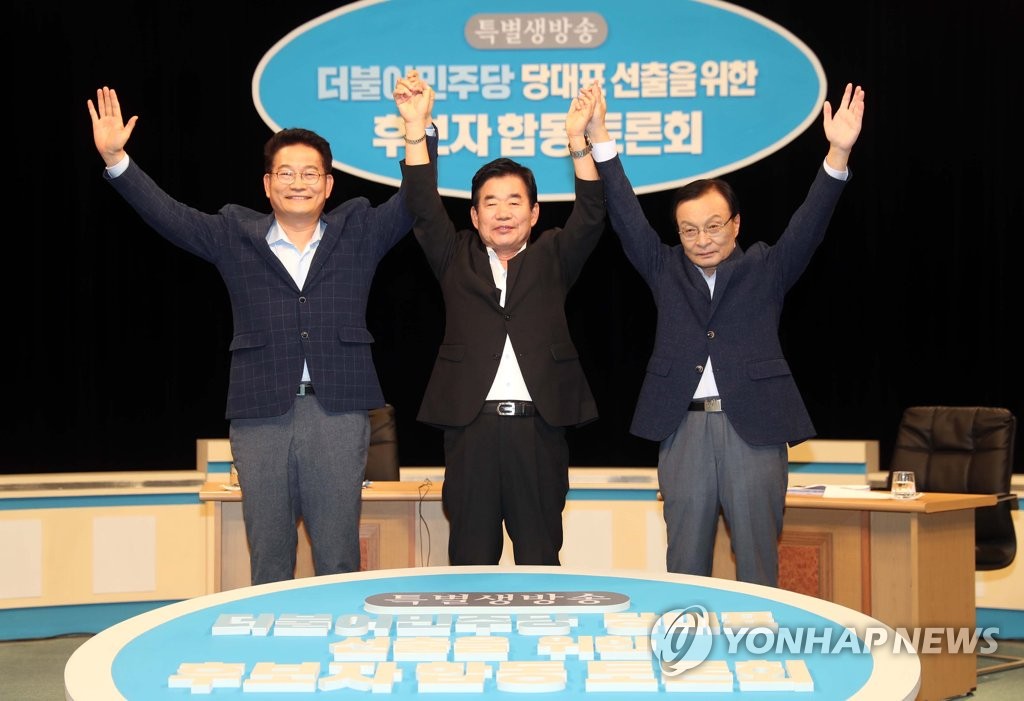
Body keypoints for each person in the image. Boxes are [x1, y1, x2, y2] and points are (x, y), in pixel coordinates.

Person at [87, 86, 436, 585]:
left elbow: (416, 201)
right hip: (260, 415)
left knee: (338, 557)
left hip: (338, 414)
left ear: (329, 184)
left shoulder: (359, 231)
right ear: (267, 184)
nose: (298, 183)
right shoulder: (234, 234)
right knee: (269, 556)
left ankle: (337, 637)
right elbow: (168, 215)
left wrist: (417, 130)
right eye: (286, 173)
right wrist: (116, 159)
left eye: (310, 173)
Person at [588, 82, 866, 586]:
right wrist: (600, 137)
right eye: (689, 230)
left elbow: (810, 222)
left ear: (736, 224)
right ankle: (684, 633)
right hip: (683, 428)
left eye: (714, 226)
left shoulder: (767, 267)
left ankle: (761, 636)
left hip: (754, 429)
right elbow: (626, 214)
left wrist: (838, 153)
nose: (702, 240)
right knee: (684, 562)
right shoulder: (664, 268)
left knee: (758, 559)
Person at [393, 72, 606, 565]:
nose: (503, 212)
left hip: (539, 431)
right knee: (470, 562)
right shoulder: (454, 256)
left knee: (540, 561)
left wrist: (578, 140)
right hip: (472, 431)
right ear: (474, 216)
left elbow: (593, 213)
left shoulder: (554, 255)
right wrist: (416, 127)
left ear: (534, 213)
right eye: (490, 203)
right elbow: (422, 205)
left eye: (515, 202)